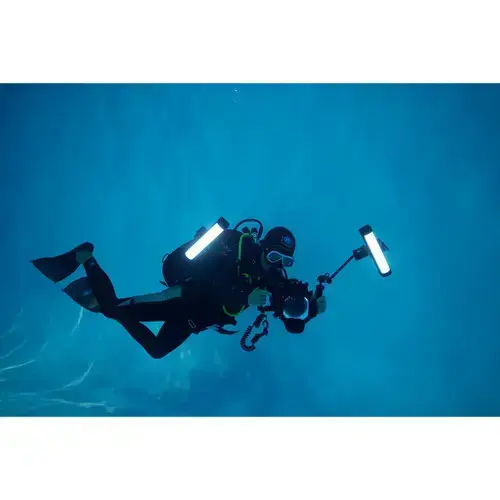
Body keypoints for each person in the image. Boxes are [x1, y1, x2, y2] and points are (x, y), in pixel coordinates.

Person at [31, 225, 327, 359]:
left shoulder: (273, 278)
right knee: (111, 309)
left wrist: (311, 307)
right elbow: (214, 284)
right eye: (274, 256)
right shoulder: (236, 252)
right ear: (263, 248)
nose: (276, 264)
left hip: (196, 318)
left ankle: (112, 304)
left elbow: (291, 318)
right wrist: (243, 298)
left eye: (285, 261)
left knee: (157, 350)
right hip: (181, 298)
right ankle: (87, 258)